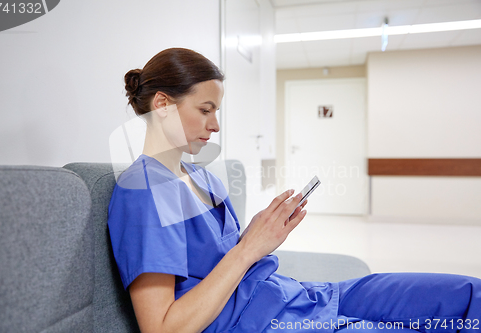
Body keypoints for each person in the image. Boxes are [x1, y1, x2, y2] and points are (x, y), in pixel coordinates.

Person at [107, 48, 481, 333]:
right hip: (268, 322)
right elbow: (162, 327)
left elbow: (227, 260)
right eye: (205, 109)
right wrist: (249, 247)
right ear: (163, 105)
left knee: (466, 295)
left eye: (216, 111)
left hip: (302, 296)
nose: (215, 125)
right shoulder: (143, 192)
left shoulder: (204, 178)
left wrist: (259, 233)